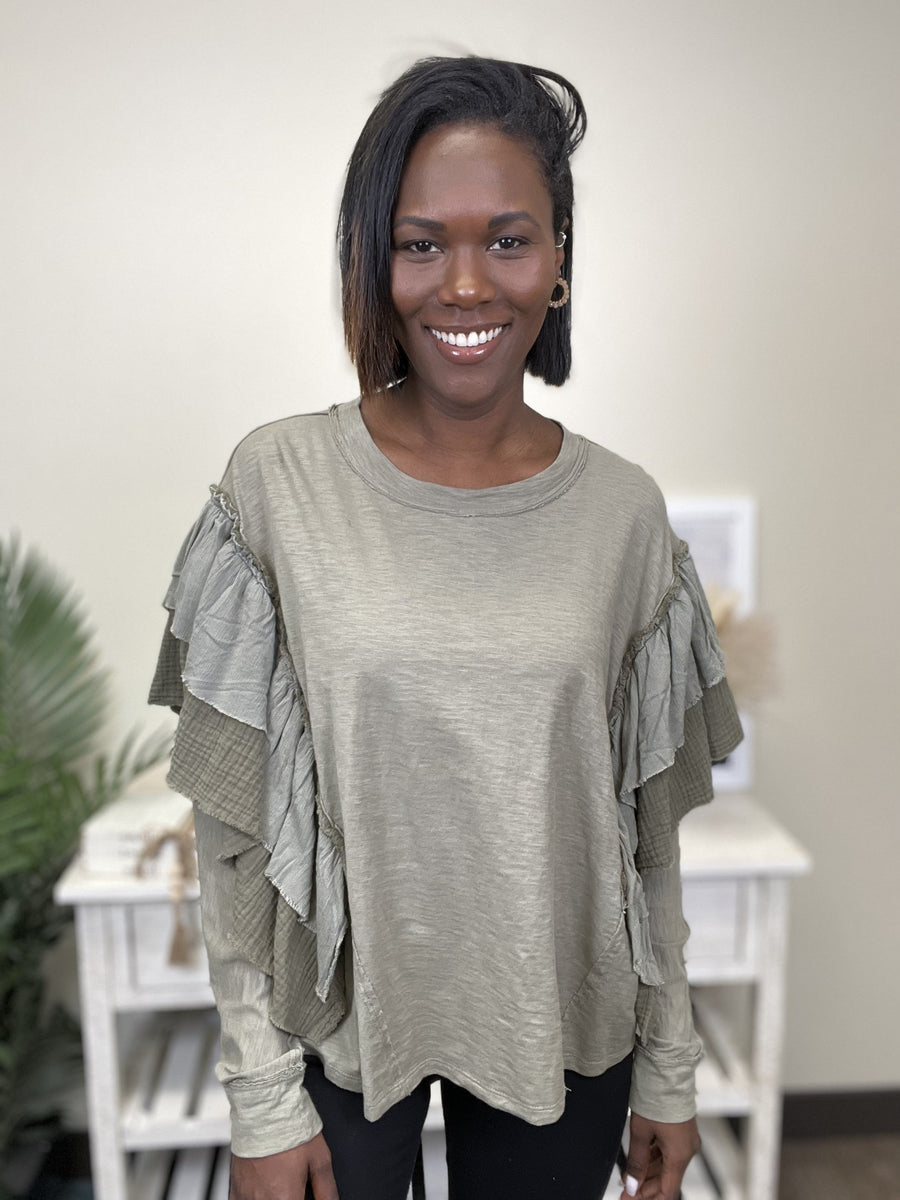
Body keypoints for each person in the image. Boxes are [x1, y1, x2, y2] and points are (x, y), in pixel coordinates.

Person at [150, 55, 742, 1200]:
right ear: (373, 263)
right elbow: (231, 830)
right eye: (420, 244)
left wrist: (669, 1068)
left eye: (508, 240)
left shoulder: (625, 514)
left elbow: (647, 841)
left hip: (565, 1021)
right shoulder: (275, 487)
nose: (465, 284)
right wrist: (260, 1094)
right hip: (334, 1022)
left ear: (559, 259)